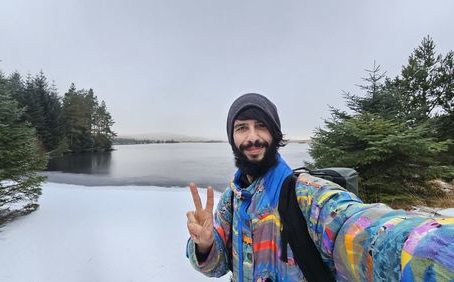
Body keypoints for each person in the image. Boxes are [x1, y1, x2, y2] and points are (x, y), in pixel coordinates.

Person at [185, 93, 454, 282]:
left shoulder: (305, 195)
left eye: (261, 126)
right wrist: (206, 245)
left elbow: (360, 231)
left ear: (275, 135)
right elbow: (216, 267)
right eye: (242, 127)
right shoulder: (232, 199)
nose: (252, 136)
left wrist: (434, 253)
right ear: (232, 138)